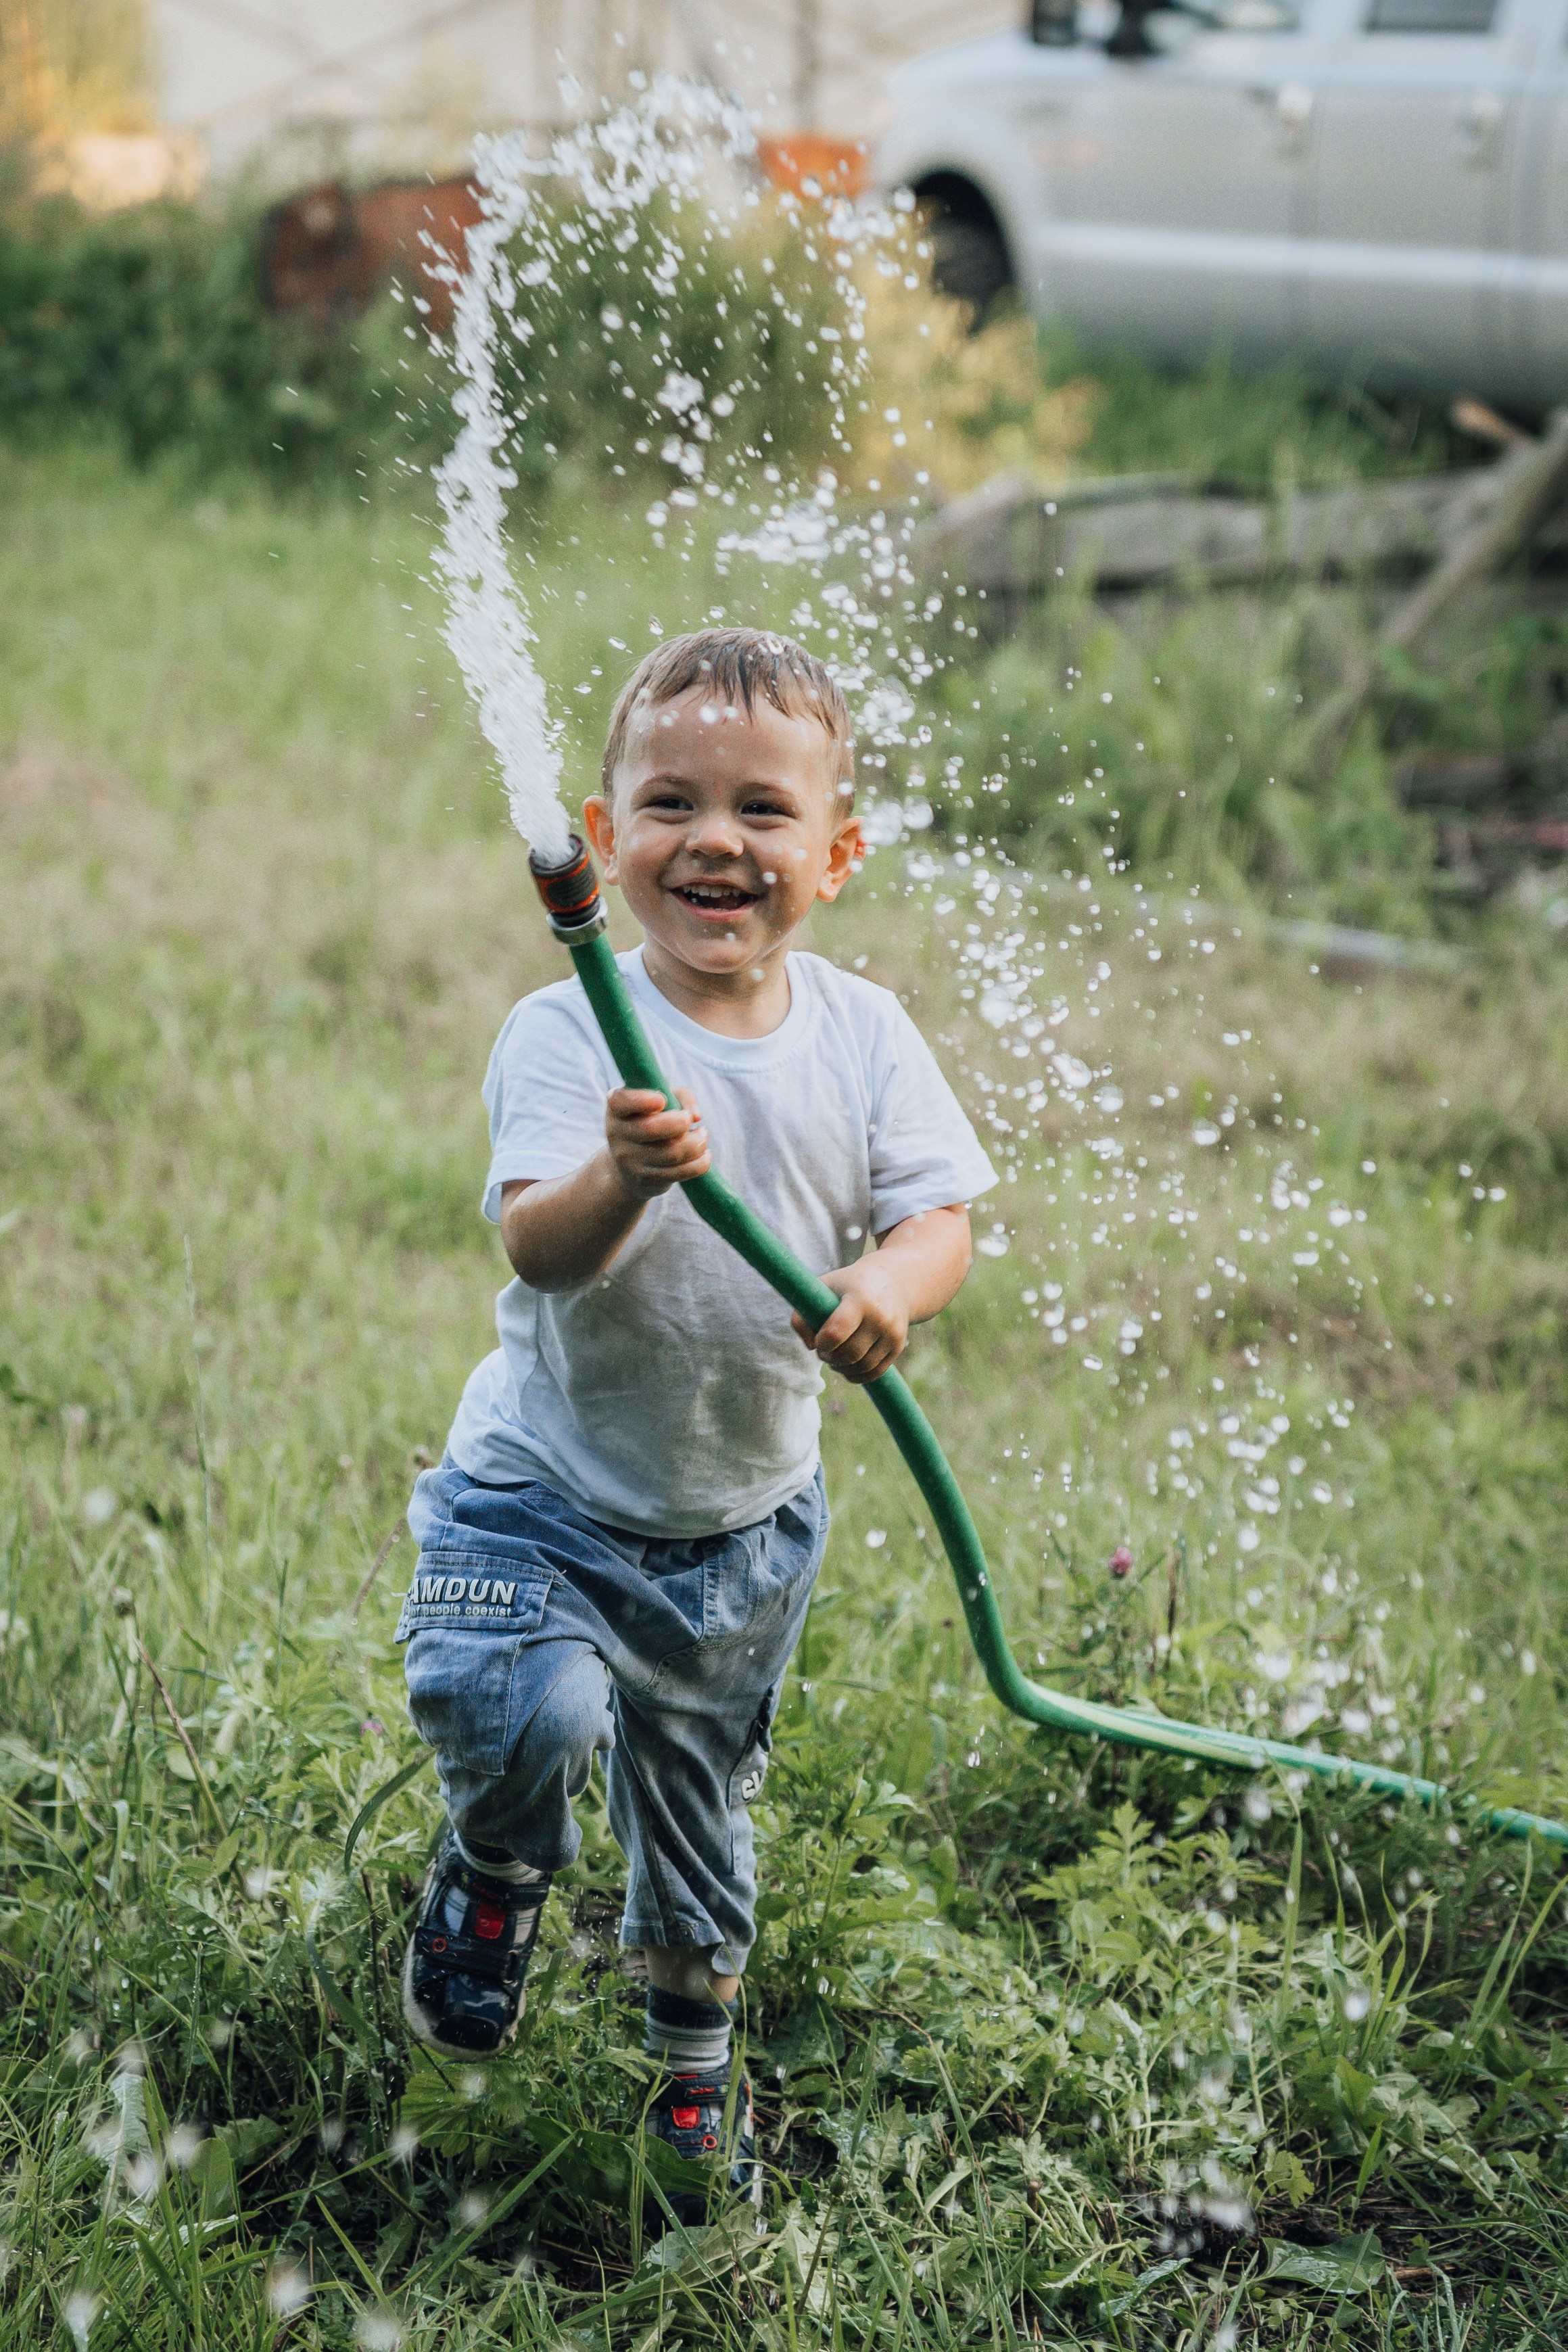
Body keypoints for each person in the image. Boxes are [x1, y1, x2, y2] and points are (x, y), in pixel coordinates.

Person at [396, 627, 995, 2215]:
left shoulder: (862, 1034)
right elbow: (537, 1242)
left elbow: (940, 1218)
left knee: (695, 1814)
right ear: (602, 840)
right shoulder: (567, 1030)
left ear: (835, 854)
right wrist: (625, 1175)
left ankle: (686, 2072)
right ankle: (496, 1868)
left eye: (762, 809)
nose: (712, 838)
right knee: (529, 1718)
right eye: (667, 800)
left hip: (739, 1527)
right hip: (541, 1492)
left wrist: (889, 1283)